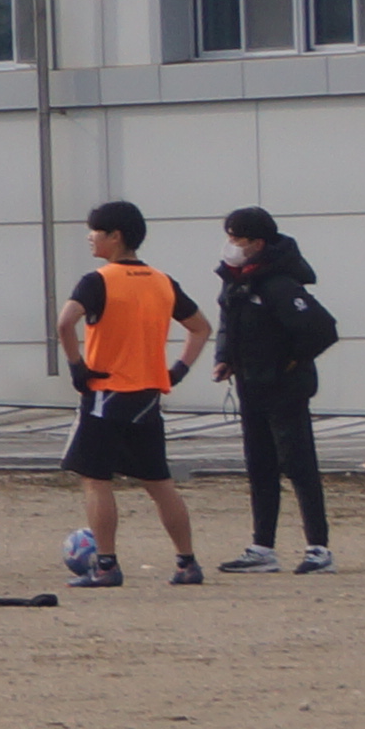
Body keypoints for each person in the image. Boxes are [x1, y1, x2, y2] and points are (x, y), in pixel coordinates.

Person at [54, 200, 208, 588]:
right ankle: (187, 563)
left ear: (115, 236)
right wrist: (179, 369)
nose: (90, 238)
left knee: (95, 479)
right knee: (159, 482)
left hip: (107, 392)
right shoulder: (162, 281)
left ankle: (106, 564)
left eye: (95, 231)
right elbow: (201, 327)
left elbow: (64, 322)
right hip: (147, 397)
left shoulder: (98, 280)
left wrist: (76, 366)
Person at [210, 207, 338, 573]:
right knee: (259, 465)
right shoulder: (236, 281)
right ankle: (262, 547)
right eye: (229, 236)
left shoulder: (279, 283)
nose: (231, 245)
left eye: (238, 238)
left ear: (258, 243)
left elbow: (322, 329)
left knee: (299, 466)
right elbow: (227, 322)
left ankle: (318, 548)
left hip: (285, 388)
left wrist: (291, 362)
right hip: (250, 386)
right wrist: (225, 358)